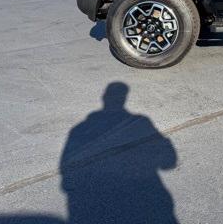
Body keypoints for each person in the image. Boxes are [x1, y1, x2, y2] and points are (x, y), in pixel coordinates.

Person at [60, 82, 177, 224]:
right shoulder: (141, 121)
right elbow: (169, 162)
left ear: (104, 97)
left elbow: (66, 176)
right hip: (147, 194)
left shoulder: (79, 129)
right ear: (125, 98)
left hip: (92, 202)